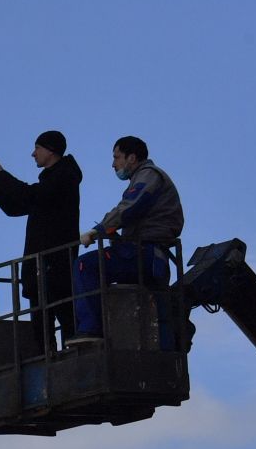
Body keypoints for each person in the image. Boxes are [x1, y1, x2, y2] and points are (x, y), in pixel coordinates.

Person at [72, 136, 185, 340]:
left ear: (131, 158)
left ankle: (90, 329)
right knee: (160, 316)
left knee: (85, 266)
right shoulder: (146, 176)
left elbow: (131, 206)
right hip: (150, 255)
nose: (113, 164)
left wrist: (99, 230)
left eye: (117, 157)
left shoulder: (148, 175)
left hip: (144, 253)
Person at [0, 130, 82, 348]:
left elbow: (29, 196)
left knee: (64, 314)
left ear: (51, 150)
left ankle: (70, 356)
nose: (33, 154)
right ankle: (52, 356)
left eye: (37, 148)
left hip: (54, 263)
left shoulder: (63, 177)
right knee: (41, 321)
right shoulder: (53, 182)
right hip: (41, 265)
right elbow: (15, 206)